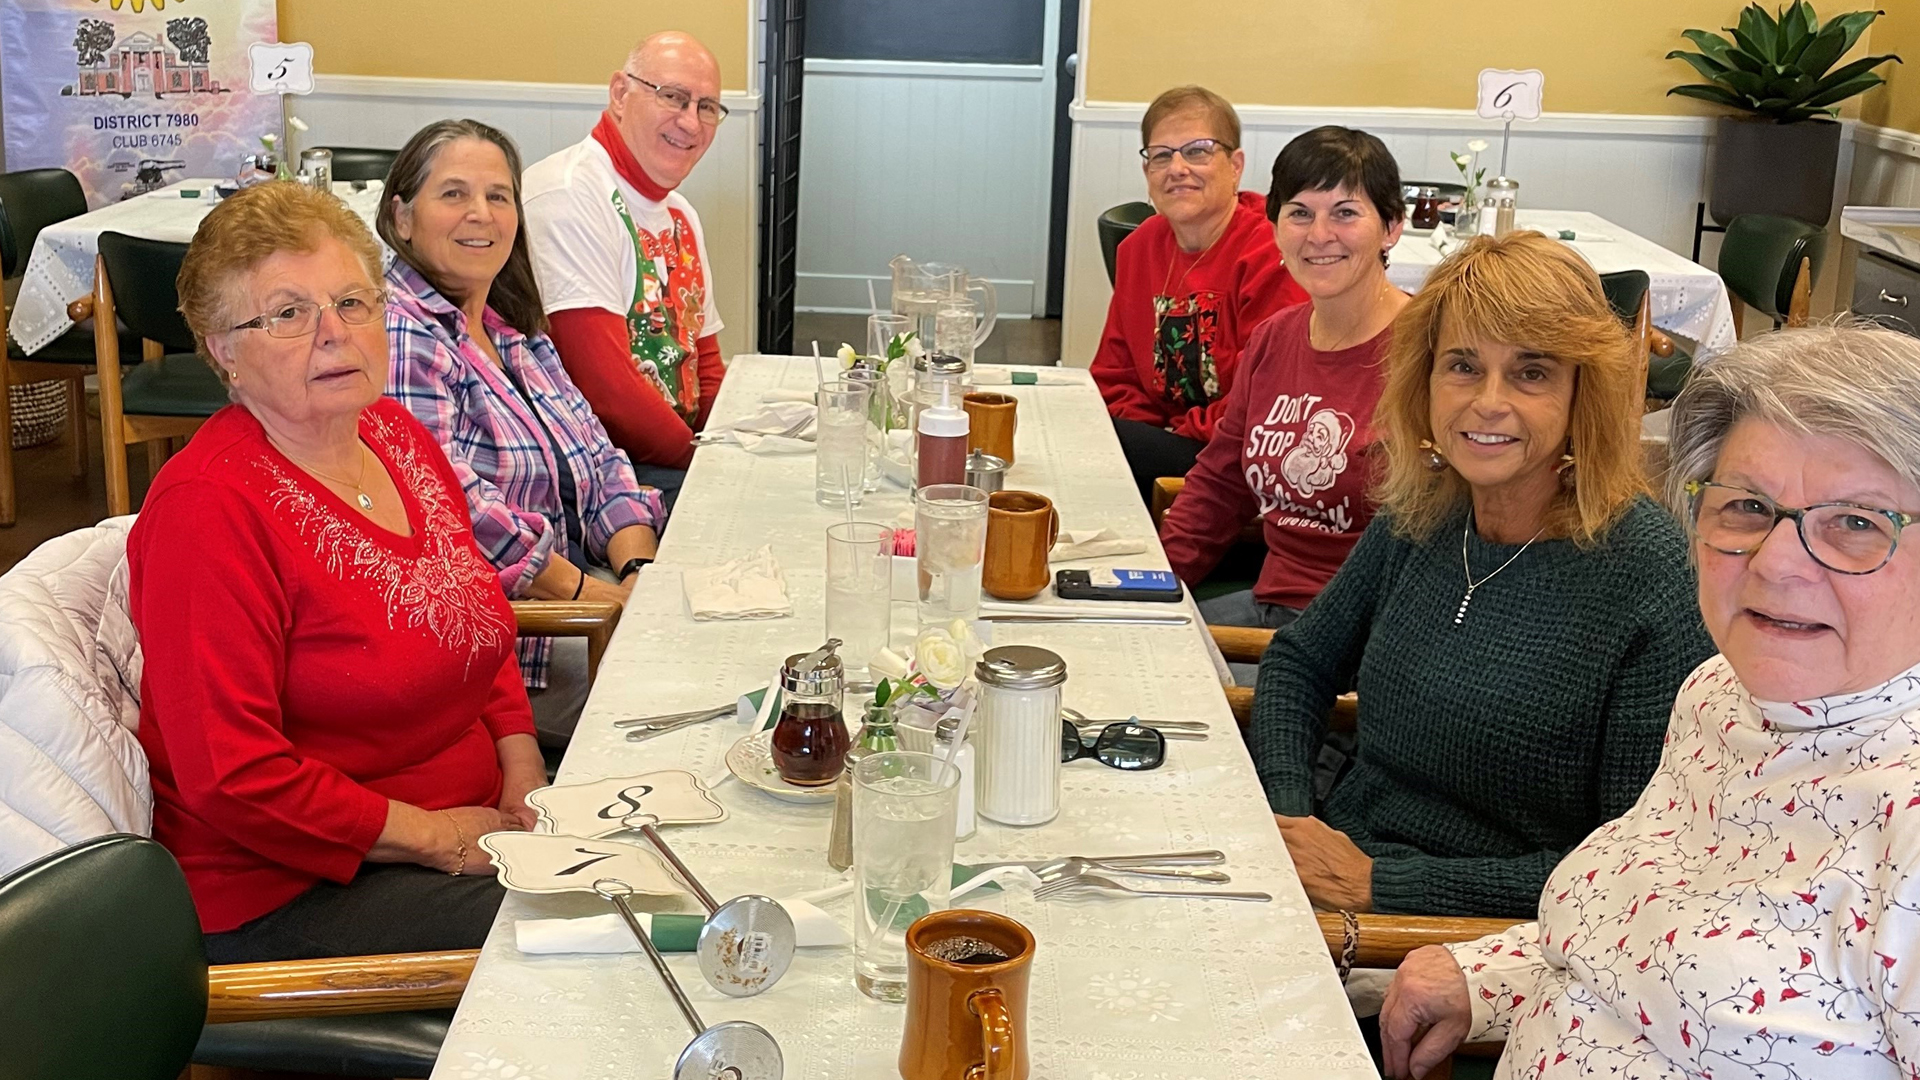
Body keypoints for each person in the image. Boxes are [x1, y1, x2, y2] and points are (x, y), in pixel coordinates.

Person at [1380, 324, 1920, 1080]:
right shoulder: (1720, 697)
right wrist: (1490, 978)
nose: (1778, 563)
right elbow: (1637, 922)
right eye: (1747, 508)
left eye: (1858, 524)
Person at [129, 181, 542, 962]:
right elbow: (232, 773)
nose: (333, 334)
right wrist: (432, 836)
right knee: (601, 937)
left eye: (353, 302)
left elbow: (472, 621)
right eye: (287, 314)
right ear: (222, 348)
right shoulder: (208, 510)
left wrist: (523, 769)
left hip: (472, 817)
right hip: (291, 885)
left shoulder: (390, 432)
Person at [1250, 231, 1716, 919]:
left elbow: (1633, 866)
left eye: (1531, 372)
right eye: (1463, 366)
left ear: (1582, 392)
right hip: (1330, 880)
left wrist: (1385, 886)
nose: (1488, 401)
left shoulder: (1647, 574)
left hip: (1468, 945)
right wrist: (1292, 823)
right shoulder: (1427, 513)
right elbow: (1298, 661)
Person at [382, 119, 663, 742]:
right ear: (402, 217)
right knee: (700, 691)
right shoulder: (402, 332)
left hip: (589, 600)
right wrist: (598, 599)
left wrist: (638, 568)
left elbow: (601, 460)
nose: (480, 214)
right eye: (453, 194)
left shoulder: (513, 332)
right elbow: (452, 512)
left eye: (498, 196)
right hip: (517, 649)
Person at [1160, 126, 1404, 640]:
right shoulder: (1275, 338)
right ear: (1273, 227)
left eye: (1345, 212)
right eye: (1299, 212)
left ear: (1391, 228)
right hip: (1271, 607)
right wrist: (1155, 586)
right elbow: (1221, 482)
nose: (1318, 235)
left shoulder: (1427, 353)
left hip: (1369, 637)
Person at [521, 30, 727, 508]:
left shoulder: (680, 213)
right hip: (607, 469)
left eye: (707, 107)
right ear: (620, 93)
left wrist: (722, 447)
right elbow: (606, 393)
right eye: (673, 97)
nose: (691, 123)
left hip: (674, 454)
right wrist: (708, 465)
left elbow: (706, 365)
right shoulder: (570, 195)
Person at [1094, 85, 1309, 499]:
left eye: (1197, 151)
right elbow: (1113, 374)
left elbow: (1265, 395)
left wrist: (1173, 433)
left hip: (1243, 451)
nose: (1177, 168)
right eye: (1161, 155)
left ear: (1235, 165)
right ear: (1147, 173)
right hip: (1162, 441)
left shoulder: (1272, 250)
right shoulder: (1138, 249)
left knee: (1102, 450)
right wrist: (1151, 431)